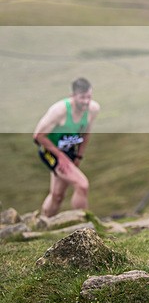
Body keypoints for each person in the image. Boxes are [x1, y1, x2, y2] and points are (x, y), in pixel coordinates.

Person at [33, 77, 101, 217]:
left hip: (70, 151)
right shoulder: (59, 111)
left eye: (89, 97)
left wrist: (79, 156)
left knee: (57, 195)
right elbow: (38, 136)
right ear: (73, 96)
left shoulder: (93, 109)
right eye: (82, 97)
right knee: (82, 185)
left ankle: (43, 223)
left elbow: (86, 134)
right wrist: (61, 157)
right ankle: (85, 225)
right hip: (50, 151)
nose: (86, 102)